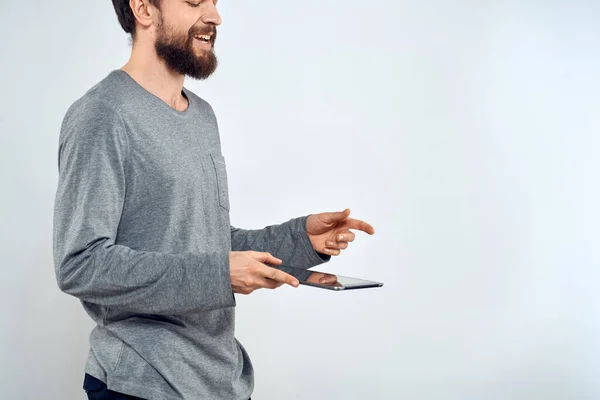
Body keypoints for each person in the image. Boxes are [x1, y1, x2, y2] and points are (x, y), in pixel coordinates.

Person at [52, 0, 375, 399]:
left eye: (215, 2)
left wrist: (300, 239)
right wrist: (218, 275)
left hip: (220, 380)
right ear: (143, 9)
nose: (215, 16)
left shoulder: (202, 116)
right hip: (143, 383)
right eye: (194, 1)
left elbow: (206, 241)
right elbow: (79, 263)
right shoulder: (101, 115)